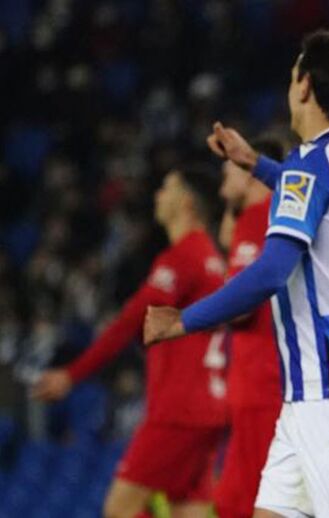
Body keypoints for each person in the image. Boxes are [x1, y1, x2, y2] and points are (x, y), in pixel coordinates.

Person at [144, 29, 329, 518]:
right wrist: (255, 164)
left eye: (292, 75)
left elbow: (270, 273)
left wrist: (183, 320)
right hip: (315, 393)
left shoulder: (311, 166)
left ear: (305, 86)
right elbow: (318, 192)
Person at [32, 166, 228, 518]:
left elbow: (128, 323)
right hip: (207, 408)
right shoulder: (211, 259)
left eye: (167, 188)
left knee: (119, 510)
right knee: (188, 510)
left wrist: (71, 374)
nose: (158, 196)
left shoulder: (183, 258)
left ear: (186, 202)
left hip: (178, 411)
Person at [212, 136, 287, 518]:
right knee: (234, 503)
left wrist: (200, 314)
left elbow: (240, 308)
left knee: (255, 504)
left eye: (229, 172)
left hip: (262, 384)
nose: (222, 183)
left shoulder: (258, 217)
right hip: (263, 384)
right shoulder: (273, 215)